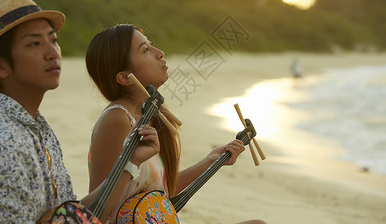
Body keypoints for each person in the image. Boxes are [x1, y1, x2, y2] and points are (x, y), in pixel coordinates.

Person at [0, 0, 149, 223]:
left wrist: (130, 161)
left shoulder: (35, 127)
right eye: (34, 43)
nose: (52, 53)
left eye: (53, 40)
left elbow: (72, 213)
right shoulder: (0, 143)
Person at [85, 24, 266, 224]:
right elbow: (92, 214)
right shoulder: (116, 120)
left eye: (151, 46)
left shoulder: (151, 115)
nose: (160, 53)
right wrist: (132, 162)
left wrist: (210, 160)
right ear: (124, 77)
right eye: (145, 50)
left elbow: (158, 193)